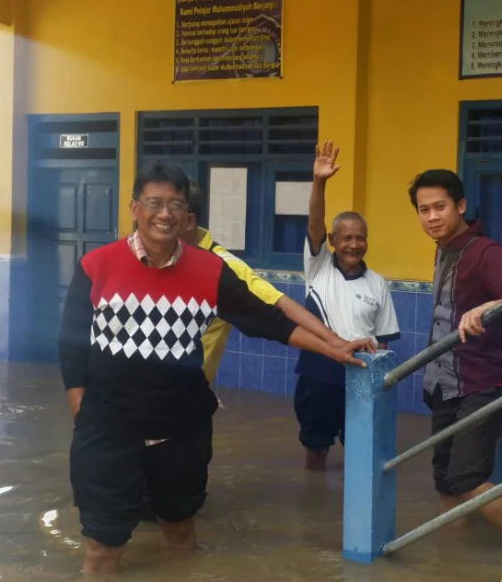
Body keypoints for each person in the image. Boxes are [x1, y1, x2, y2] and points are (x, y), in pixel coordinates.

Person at [58, 162, 370, 575]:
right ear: (135, 208)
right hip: (107, 433)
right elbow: (71, 345)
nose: (164, 213)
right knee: (101, 549)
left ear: (188, 215)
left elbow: (270, 319)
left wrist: (334, 347)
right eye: (154, 203)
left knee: (181, 535)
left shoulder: (210, 270)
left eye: (175, 204)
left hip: (181, 429)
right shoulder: (97, 265)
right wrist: (83, 411)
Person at [407, 168, 502, 554]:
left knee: (466, 476)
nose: (431, 216)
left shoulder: (486, 251)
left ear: (460, 206)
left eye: (440, 207)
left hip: (483, 381)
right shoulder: (445, 249)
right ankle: (451, 560)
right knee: (445, 477)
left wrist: (488, 306)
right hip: (445, 382)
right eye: (423, 209)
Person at [181, 179, 353, 385]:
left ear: (189, 219)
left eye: (169, 208)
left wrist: (334, 343)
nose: (159, 218)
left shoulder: (221, 266)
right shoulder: (143, 258)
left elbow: (278, 304)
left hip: (185, 395)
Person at [297, 141, 401, 471]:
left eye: (360, 238)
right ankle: (314, 506)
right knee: (316, 453)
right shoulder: (318, 267)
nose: (354, 244)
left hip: (360, 378)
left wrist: (379, 385)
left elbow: (383, 341)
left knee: (362, 453)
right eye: (346, 238)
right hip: (318, 374)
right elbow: (314, 223)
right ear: (332, 241)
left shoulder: (378, 283)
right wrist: (320, 182)